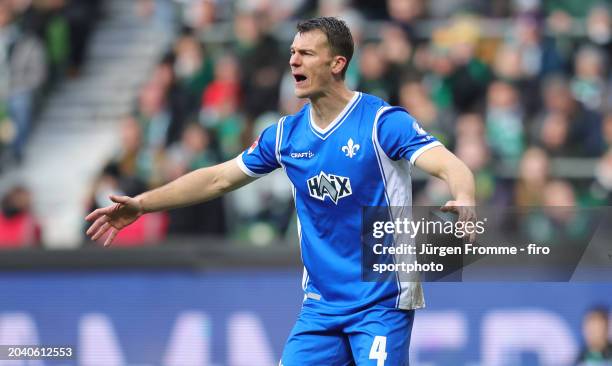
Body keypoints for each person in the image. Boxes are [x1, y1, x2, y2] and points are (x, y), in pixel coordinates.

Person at [85, 17, 475, 365]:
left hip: (380, 301)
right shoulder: (286, 136)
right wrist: (142, 203)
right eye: (292, 52)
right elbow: (218, 178)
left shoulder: (380, 122)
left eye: (306, 53)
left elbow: (448, 164)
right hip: (320, 307)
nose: (293, 61)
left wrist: (465, 198)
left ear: (337, 64)